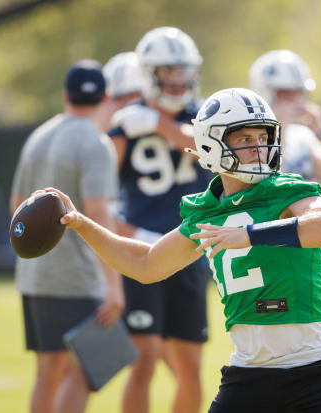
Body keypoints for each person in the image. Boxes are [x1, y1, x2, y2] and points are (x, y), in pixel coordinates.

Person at [41, 87, 321, 413]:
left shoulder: (284, 191)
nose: (258, 148)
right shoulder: (206, 212)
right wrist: (83, 224)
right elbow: (145, 264)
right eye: (245, 139)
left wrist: (250, 235)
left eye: (263, 137)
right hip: (251, 372)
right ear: (210, 144)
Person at [107, 27, 211, 413]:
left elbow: (209, 153)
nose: (177, 78)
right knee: (144, 357)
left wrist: (158, 123)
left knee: (190, 365)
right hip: (143, 247)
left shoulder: (202, 116)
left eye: (182, 69)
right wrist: (127, 230)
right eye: (169, 70)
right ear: (150, 73)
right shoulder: (124, 123)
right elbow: (99, 192)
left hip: (189, 248)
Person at [10, 60, 123, 413]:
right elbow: (98, 212)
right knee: (86, 370)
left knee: (47, 374)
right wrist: (115, 284)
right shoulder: (96, 142)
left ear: (65, 94)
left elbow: (17, 207)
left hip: (33, 274)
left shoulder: (38, 136)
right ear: (106, 97)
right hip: (76, 277)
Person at [249, 49, 321, 192]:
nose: (294, 102)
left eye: (296, 93)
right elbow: (262, 179)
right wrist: (277, 131)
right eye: (284, 94)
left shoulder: (302, 136)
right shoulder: (246, 135)